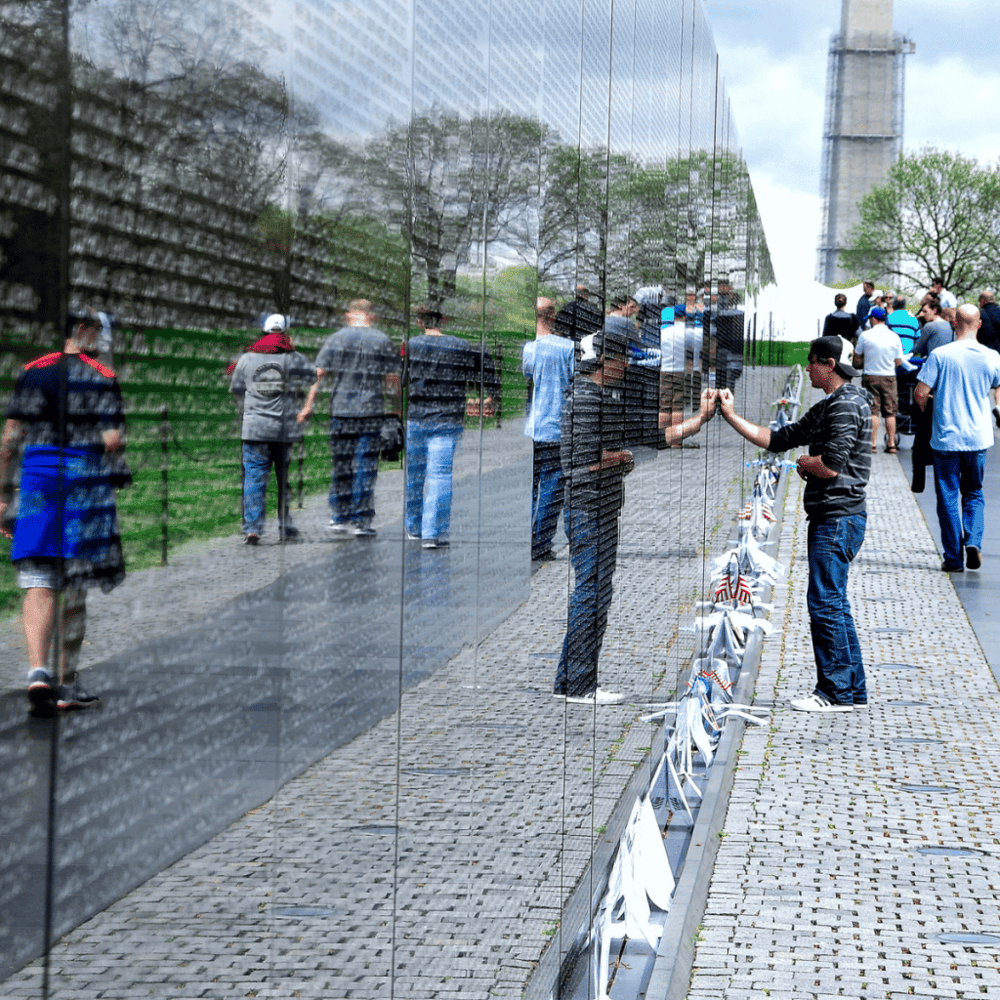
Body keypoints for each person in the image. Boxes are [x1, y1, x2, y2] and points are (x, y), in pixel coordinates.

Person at [718, 336, 871, 713]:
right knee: (834, 601)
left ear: (829, 364)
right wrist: (731, 416)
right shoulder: (833, 404)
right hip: (835, 514)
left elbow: (830, 466)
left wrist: (805, 463)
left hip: (837, 517)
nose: (807, 368)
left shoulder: (845, 407)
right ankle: (852, 690)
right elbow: (778, 439)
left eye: (812, 362)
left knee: (825, 603)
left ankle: (834, 692)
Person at [0, 308, 127, 714]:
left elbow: (9, 440)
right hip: (82, 477)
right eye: (98, 333)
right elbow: (111, 441)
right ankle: (67, 684)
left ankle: (38, 672)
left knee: (38, 575)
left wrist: (3, 497)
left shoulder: (32, 371)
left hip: (38, 475)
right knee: (73, 579)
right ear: (83, 331)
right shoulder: (102, 377)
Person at [553, 327, 633, 705]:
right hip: (589, 506)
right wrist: (622, 458)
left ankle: (569, 680)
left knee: (593, 589)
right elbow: (588, 461)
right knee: (591, 591)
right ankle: (581, 683)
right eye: (622, 357)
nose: (627, 365)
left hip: (595, 504)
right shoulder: (588, 400)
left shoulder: (588, 395)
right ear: (604, 360)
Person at [404, 304, 499, 549]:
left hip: (415, 418)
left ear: (418, 321)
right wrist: (490, 397)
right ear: (442, 319)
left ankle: (414, 526)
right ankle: (432, 533)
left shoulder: (410, 345)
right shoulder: (461, 346)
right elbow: (486, 367)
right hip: (447, 419)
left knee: (414, 477)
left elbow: (400, 381)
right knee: (440, 476)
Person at [914, 304, 1000, 572]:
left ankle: (953, 558)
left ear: (954, 323)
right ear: (979, 325)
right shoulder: (992, 357)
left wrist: (932, 407)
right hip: (978, 438)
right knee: (974, 492)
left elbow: (920, 393)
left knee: (948, 496)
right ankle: (973, 540)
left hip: (947, 437)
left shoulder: (940, 355)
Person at [311, 300, 400, 537]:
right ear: (372, 316)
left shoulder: (336, 338)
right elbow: (392, 379)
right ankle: (363, 521)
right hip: (371, 410)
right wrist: (396, 408)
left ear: (349, 314)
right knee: (366, 467)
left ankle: (340, 516)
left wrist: (308, 404)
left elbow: (319, 374)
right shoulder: (382, 340)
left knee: (342, 465)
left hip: (341, 410)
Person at [229, 315, 316, 544]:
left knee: (254, 479)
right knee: (283, 480)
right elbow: (314, 376)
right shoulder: (292, 358)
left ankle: (252, 528)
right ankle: (285, 526)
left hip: (254, 429)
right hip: (284, 429)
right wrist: (306, 406)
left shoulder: (246, 358)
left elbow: (237, 388)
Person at [522, 297, 574, 561]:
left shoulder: (529, 350)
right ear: (553, 316)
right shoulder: (567, 348)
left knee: (531, 485)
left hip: (534, 427)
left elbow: (529, 377)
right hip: (557, 426)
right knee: (553, 487)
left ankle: (526, 537)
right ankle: (540, 542)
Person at [854, 306, 905, 454]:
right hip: (889, 377)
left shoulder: (865, 335)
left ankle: (872, 444)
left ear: (874, 319)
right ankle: (891, 444)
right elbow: (899, 362)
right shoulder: (894, 336)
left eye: (870, 319)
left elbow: (857, 357)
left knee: (873, 411)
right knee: (890, 413)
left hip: (870, 375)